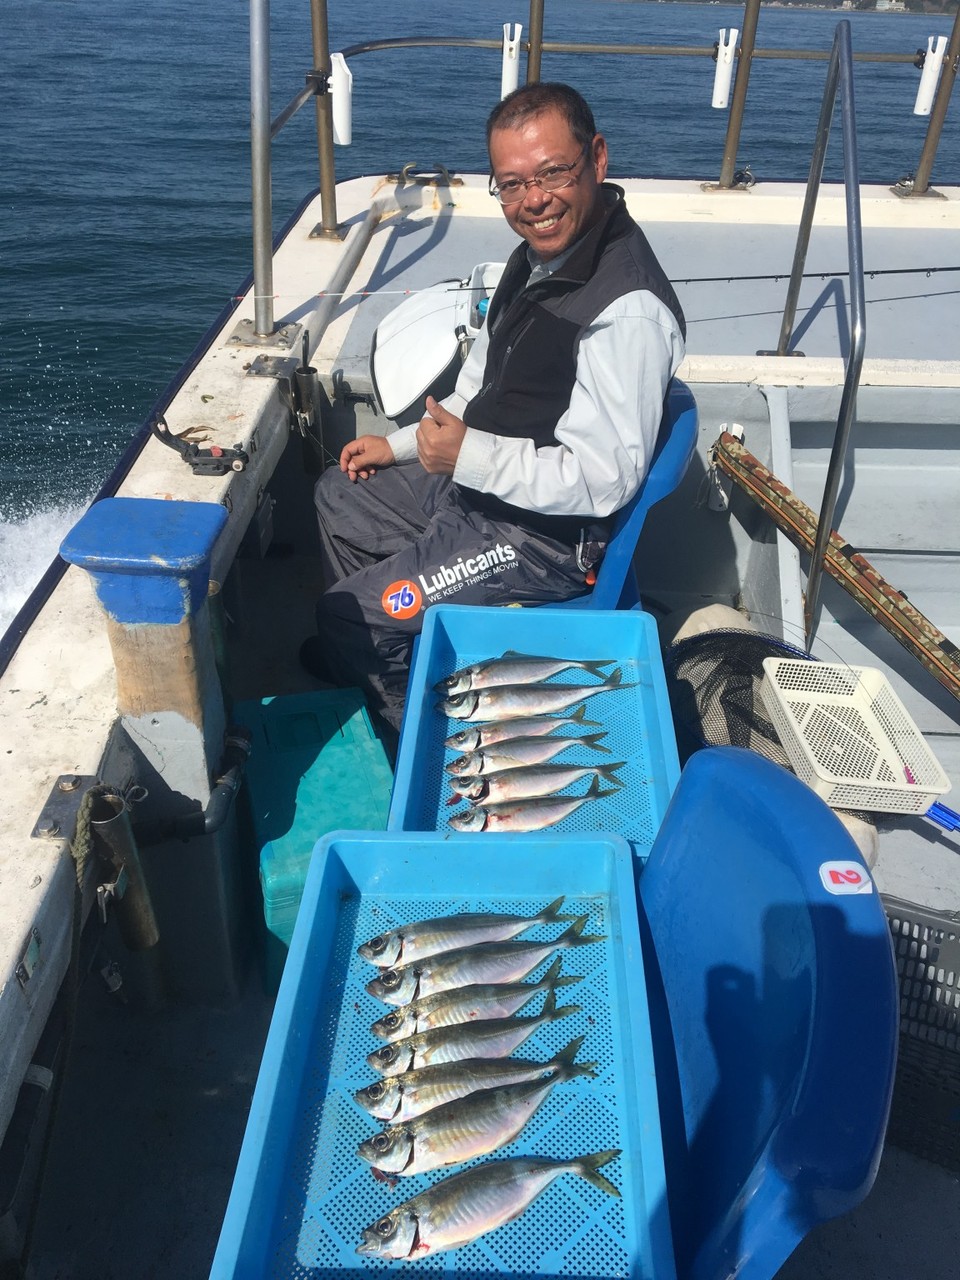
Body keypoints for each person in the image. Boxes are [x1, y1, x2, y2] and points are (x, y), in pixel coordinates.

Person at [301, 82, 686, 745]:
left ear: (596, 159)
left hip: (541, 540)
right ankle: (375, 657)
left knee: (348, 615)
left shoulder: (626, 311)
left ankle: (419, 739)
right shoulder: (537, 258)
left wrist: (467, 457)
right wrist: (398, 446)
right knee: (338, 494)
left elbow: (603, 482)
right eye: (511, 185)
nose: (533, 201)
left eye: (553, 173)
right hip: (479, 488)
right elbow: (476, 390)